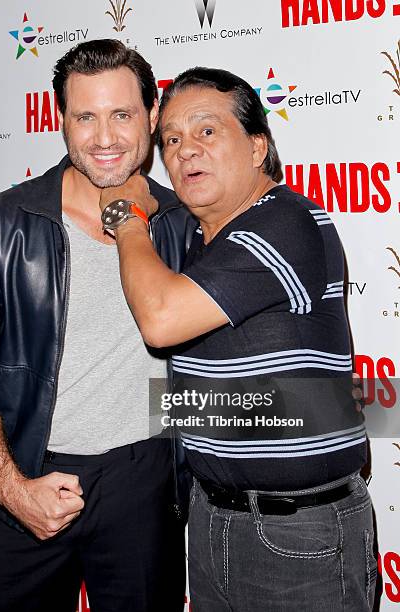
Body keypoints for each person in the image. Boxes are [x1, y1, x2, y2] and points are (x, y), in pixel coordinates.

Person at [0, 40, 195, 612]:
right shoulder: (6, 223)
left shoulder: (181, 223)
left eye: (122, 114)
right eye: (85, 117)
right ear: (60, 121)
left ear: (150, 114)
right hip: (28, 475)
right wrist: (13, 489)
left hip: (142, 482)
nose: (105, 138)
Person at [98, 67, 376, 611]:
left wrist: (126, 216)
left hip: (300, 538)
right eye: (171, 139)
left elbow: (159, 319)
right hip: (213, 521)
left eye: (206, 131)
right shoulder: (209, 244)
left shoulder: (282, 222)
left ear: (256, 147)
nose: (183, 150)